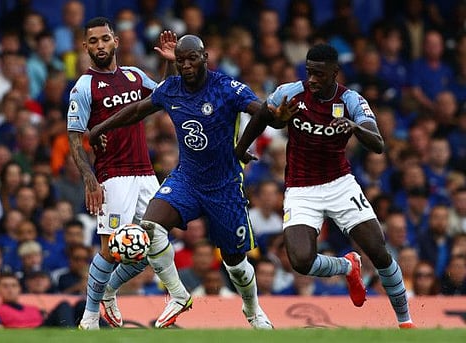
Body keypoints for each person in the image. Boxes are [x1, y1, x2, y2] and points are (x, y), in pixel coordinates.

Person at [88, 34, 286, 329]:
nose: (186, 65)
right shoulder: (172, 89)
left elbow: (262, 112)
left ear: (205, 57)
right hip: (187, 179)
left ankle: (252, 309)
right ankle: (178, 294)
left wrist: (278, 118)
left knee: (235, 263)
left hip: (224, 185)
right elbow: (139, 109)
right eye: (180, 61)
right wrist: (99, 128)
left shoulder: (227, 88)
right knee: (151, 226)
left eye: (192, 59)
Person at [235, 43, 415, 329]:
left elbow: (378, 144)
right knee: (300, 261)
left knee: (379, 251)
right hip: (301, 189)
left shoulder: (352, 100)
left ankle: (405, 321)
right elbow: (262, 117)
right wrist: (240, 150)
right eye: (309, 72)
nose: (313, 79)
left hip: (340, 185)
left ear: (335, 72)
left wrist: (355, 128)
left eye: (319, 74)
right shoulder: (291, 93)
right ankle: (347, 266)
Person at [66, 17, 178, 330]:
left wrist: (168, 64)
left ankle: (110, 291)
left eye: (104, 39)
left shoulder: (135, 75)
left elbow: (160, 100)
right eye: (93, 41)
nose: (100, 45)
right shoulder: (84, 87)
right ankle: (90, 316)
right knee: (110, 249)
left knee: (148, 246)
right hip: (112, 176)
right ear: (86, 46)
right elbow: (74, 136)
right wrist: (90, 179)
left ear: (115, 40)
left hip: (145, 173)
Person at [0, 271, 84, 328]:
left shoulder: (34, 309)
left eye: (13, 286)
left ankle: (97, 336)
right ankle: (71, 336)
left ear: (19, 289)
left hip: (44, 331)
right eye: (5, 286)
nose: (10, 290)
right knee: (64, 305)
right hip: (28, 335)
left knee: (82, 304)